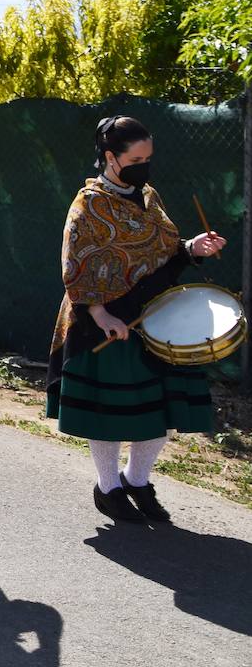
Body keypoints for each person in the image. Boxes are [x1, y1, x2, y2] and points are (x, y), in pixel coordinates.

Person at [47, 116, 226, 523]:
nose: (145, 165)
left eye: (149, 157)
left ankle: (136, 480)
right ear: (111, 157)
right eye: (137, 158)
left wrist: (192, 248)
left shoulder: (149, 195)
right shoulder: (87, 204)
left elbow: (162, 250)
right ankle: (108, 488)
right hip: (103, 319)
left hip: (154, 315)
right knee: (107, 412)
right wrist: (100, 312)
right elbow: (75, 266)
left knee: (159, 408)